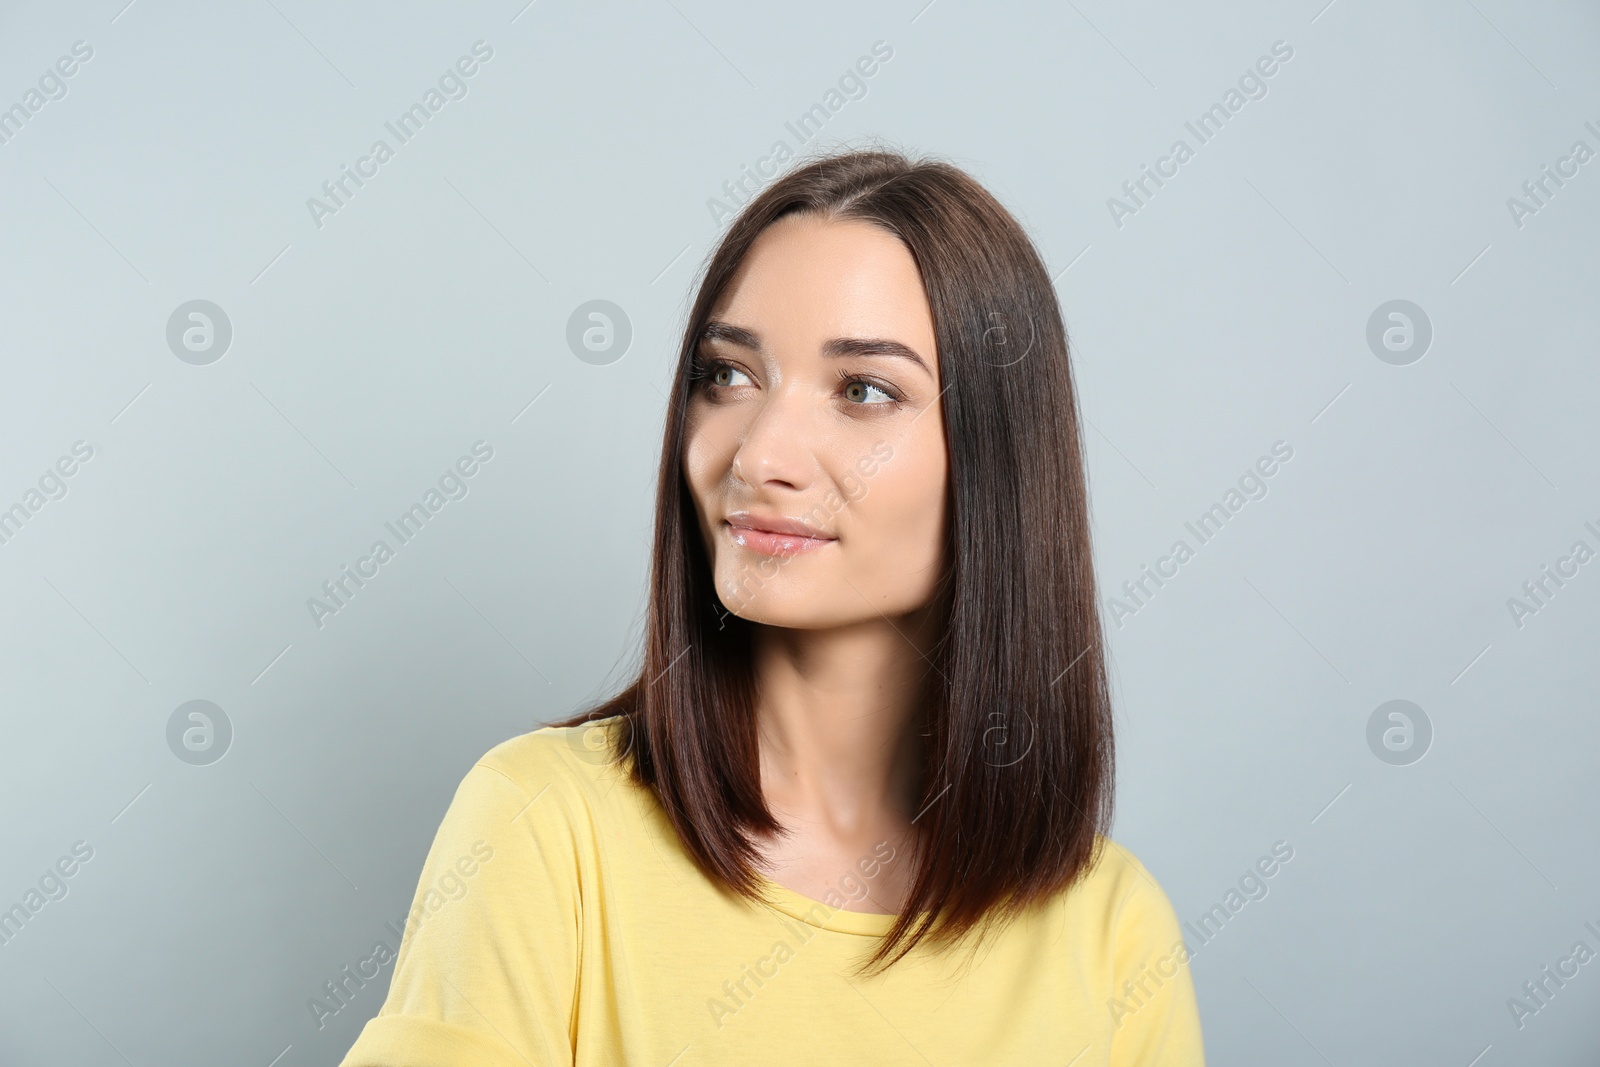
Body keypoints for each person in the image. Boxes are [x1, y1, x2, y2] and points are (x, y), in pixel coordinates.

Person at [338, 144, 1205, 1065]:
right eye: (728, 375)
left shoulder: (1113, 930)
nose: (757, 455)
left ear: (997, 463)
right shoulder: (541, 828)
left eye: (864, 390)